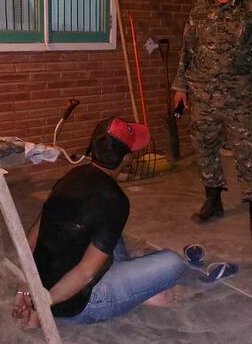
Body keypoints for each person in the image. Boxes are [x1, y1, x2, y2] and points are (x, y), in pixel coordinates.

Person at [12, 118, 186, 327]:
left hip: (45, 284)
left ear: (92, 149)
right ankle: (138, 292)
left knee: (107, 229)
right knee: (173, 262)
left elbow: (32, 241)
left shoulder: (72, 176)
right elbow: (85, 273)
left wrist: (24, 290)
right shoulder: (116, 200)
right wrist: (42, 307)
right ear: (127, 159)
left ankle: (135, 285)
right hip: (82, 302)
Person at [171, 0, 252, 243]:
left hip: (238, 96)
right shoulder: (199, 7)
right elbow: (188, 50)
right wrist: (180, 86)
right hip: (201, 93)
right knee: (204, 148)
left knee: (246, 153)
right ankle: (213, 199)